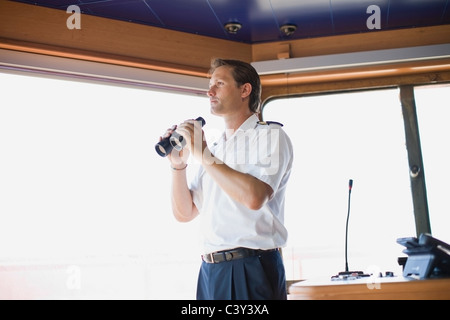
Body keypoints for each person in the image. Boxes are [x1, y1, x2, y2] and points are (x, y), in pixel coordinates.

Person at [160, 58, 293, 300]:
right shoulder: (216, 148)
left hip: (251, 267)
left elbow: (255, 198)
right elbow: (184, 213)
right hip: (210, 270)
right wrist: (178, 166)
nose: (210, 91)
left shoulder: (269, 136)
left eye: (219, 83)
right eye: (210, 84)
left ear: (245, 90)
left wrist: (204, 155)